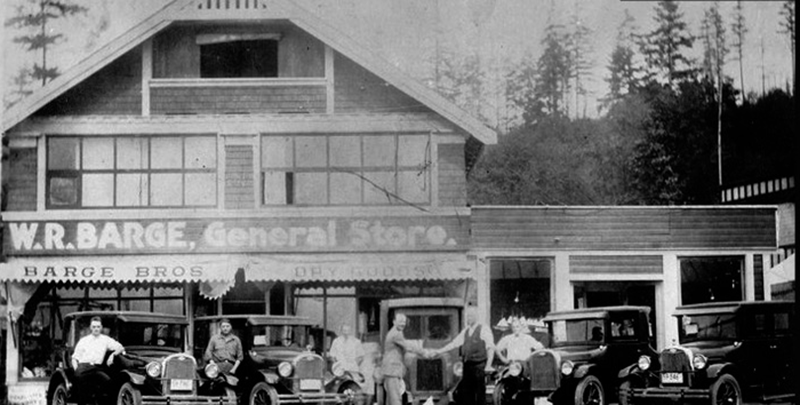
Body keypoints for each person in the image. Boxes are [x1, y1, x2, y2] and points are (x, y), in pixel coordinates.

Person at [430, 306, 495, 405]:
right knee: (467, 394)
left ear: (476, 316)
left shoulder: (484, 329)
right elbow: (454, 343)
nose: (468, 318)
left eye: (471, 316)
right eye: (468, 316)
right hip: (467, 365)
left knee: (479, 393)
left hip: (479, 366)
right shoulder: (466, 331)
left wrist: (488, 365)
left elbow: (490, 348)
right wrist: (438, 351)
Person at [381, 313, 429, 405]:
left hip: (390, 369)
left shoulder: (394, 332)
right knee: (395, 398)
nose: (402, 324)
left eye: (404, 322)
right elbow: (407, 346)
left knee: (390, 399)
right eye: (400, 321)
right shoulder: (396, 334)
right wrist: (424, 352)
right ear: (394, 322)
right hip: (393, 369)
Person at [71, 317, 125, 397]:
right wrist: (77, 370)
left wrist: (112, 355)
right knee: (81, 388)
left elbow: (120, 347)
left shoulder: (106, 340)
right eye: (94, 327)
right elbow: (74, 358)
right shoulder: (84, 340)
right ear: (90, 327)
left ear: (101, 327)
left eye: (98, 327)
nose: (96, 329)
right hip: (84, 367)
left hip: (96, 368)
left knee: (108, 382)